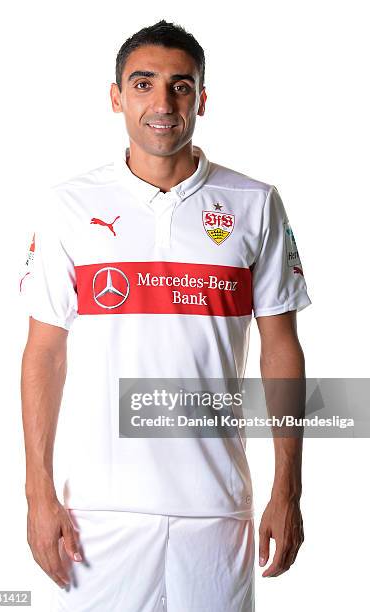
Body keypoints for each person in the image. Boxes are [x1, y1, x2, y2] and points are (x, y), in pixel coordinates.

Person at [20, 19, 311, 612]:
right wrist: (36, 493)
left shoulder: (255, 203)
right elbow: (44, 354)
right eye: (144, 83)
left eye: (181, 86)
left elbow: (282, 348)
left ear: (201, 98)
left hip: (217, 512)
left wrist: (289, 486)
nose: (162, 102)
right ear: (116, 96)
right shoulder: (68, 207)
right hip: (97, 517)